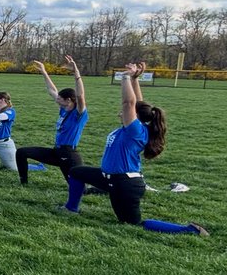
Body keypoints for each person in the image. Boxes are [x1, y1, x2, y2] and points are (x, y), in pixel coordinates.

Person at [58, 62, 208, 236]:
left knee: (132, 224)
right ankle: (71, 208)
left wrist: (126, 77)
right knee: (77, 172)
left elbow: (129, 103)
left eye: (125, 111)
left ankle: (189, 230)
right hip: (110, 178)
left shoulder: (134, 130)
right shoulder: (135, 127)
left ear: (134, 115)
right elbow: (137, 103)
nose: (120, 111)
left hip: (125, 184)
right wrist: (136, 80)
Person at [16, 56, 87, 185]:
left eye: (60, 99)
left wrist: (76, 72)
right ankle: (23, 183)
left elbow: (80, 95)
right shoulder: (63, 108)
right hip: (56, 151)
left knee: (78, 188)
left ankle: (103, 190)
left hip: (68, 154)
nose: (57, 100)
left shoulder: (78, 113)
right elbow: (52, 90)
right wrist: (43, 71)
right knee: (22, 152)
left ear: (69, 100)